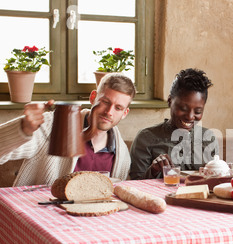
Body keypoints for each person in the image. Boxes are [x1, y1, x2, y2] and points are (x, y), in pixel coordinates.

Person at [0, 73, 135, 186]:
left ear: (125, 113)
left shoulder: (122, 157)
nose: (109, 112)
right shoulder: (51, 125)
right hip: (38, 213)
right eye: (105, 102)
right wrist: (23, 128)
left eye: (118, 108)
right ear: (93, 97)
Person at [130, 68, 219, 180]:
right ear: (169, 101)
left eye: (198, 111)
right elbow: (134, 184)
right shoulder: (146, 138)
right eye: (183, 108)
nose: (190, 116)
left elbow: (214, 179)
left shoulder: (208, 139)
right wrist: (153, 170)